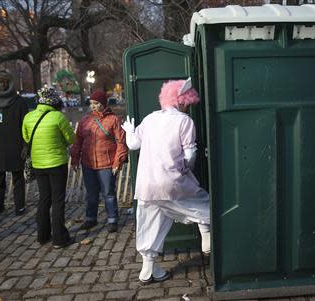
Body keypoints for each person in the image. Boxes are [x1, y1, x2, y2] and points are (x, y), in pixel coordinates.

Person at [121, 78, 211, 284]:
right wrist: (186, 170)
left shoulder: (150, 118)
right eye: (188, 102)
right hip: (172, 182)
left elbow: (133, 144)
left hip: (146, 185)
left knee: (150, 223)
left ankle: (147, 271)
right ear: (181, 100)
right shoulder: (184, 121)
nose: (188, 106)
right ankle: (206, 239)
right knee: (204, 205)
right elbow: (190, 156)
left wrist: (129, 131)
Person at [22, 87, 75, 248]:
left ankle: (42, 235)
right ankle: (59, 238)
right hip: (57, 163)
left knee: (44, 198)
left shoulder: (28, 117)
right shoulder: (58, 117)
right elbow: (71, 138)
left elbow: (25, 137)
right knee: (58, 200)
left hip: (38, 164)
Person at [70, 89, 128, 232]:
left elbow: (121, 142)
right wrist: (75, 159)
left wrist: (117, 162)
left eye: (96, 103)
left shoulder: (113, 120)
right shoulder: (85, 120)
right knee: (91, 192)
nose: (93, 106)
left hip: (106, 163)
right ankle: (91, 218)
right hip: (88, 162)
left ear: (103, 103)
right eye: (91, 103)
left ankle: (112, 219)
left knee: (108, 192)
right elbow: (77, 141)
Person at [0, 70, 29, 217]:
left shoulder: (19, 101)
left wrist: (26, 145)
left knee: (18, 178)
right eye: (0, 82)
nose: (2, 85)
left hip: (15, 146)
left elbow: (25, 125)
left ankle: (20, 206)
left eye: (5, 82)